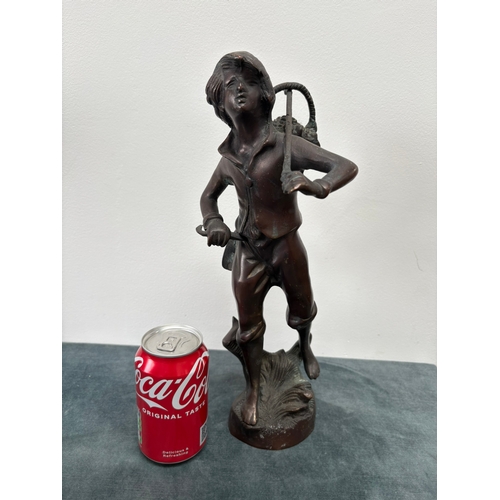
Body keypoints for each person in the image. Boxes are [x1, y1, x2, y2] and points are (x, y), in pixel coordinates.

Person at [200, 52, 358, 426]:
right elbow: (208, 197)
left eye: (247, 83)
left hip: (286, 246)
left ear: (265, 93)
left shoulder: (287, 145)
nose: (239, 89)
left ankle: (304, 346)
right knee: (247, 327)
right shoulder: (227, 160)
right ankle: (254, 390)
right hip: (248, 250)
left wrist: (317, 186)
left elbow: (345, 166)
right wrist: (214, 221)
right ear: (220, 105)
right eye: (229, 86)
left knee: (302, 308)